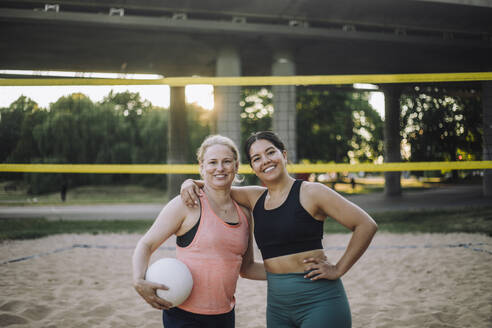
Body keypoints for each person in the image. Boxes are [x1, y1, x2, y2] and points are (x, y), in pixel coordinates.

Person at [181, 131, 378, 328]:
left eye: (270, 153)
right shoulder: (254, 198)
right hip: (278, 308)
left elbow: (366, 225)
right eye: (257, 158)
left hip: (319, 302)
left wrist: (338, 269)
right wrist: (189, 182)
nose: (265, 161)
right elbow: (218, 185)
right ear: (253, 167)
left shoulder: (312, 192)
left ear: (283, 155)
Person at [132, 135, 266, 328]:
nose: (220, 168)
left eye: (226, 162)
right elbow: (146, 244)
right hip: (184, 316)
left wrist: (291, 269)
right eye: (212, 162)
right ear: (201, 166)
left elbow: (247, 268)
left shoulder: (244, 212)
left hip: (225, 315)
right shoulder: (187, 204)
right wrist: (138, 280)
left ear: (236, 166)